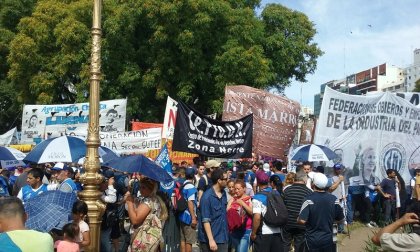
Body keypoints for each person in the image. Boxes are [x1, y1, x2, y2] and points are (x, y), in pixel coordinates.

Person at [298, 172, 344, 252]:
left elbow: (302, 220)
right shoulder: (334, 199)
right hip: (329, 238)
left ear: (313, 184)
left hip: (312, 239)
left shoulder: (308, 199)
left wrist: (298, 219)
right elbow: (340, 219)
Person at [124, 177, 168, 251]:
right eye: (140, 187)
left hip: (143, 240)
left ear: (151, 189)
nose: (140, 190)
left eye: (144, 188)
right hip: (152, 239)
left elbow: (135, 220)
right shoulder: (157, 199)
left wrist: (129, 203)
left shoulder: (148, 202)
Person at [250, 170, 284, 252]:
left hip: (264, 234)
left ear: (257, 182)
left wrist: (254, 233)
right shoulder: (276, 193)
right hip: (278, 232)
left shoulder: (257, 198)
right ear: (268, 181)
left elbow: (257, 217)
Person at [198, 168, 229, 252]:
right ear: (219, 180)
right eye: (226, 179)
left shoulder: (224, 193)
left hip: (223, 237)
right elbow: (205, 220)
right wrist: (211, 240)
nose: (228, 181)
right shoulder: (206, 197)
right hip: (210, 240)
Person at [283, 171, 313, 252]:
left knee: (285, 245)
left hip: (287, 223)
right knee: (300, 247)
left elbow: (282, 206)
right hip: (302, 223)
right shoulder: (309, 192)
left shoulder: (287, 190)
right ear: (305, 180)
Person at [349, 147, 379, 227]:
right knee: (368, 208)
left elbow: (377, 186)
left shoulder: (375, 177)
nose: (372, 160)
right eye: (369, 157)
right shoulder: (358, 173)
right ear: (363, 160)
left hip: (374, 197)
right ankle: (366, 222)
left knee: (375, 209)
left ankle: (372, 220)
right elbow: (355, 168)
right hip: (361, 195)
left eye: (374, 157)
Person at [227, 180, 252, 252]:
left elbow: (251, 212)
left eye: (238, 189)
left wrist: (242, 203)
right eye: (235, 189)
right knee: (237, 249)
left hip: (246, 230)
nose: (236, 191)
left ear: (244, 189)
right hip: (234, 230)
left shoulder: (249, 199)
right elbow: (227, 211)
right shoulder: (232, 199)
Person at [179, 168, 198, 252]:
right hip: (188, 217)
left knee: (183, 239)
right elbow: (190, 202)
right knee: (189, 241)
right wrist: (193, 218)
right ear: (193, 176)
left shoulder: (183, 185)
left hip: (181, 215)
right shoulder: (191, 187)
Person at [328, 163, 346, 234]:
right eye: (337, 169)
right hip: (334, 199)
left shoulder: (341, 177)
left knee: (342, 214)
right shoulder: (331, 177)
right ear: (334, 169)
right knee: (334, 216)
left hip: (341, 198)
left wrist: (344, 195)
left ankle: (341, 229)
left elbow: (343, 187)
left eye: (339, 169)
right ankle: (334, 232)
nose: (338, 170)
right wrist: (339, 180)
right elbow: (331, 188)